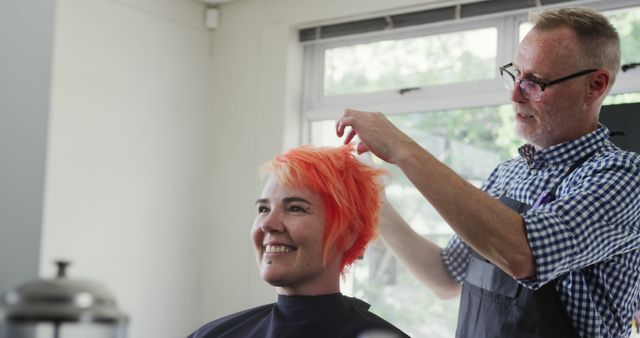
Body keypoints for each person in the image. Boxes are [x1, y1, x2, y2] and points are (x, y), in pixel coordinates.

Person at [335, 6, 640, 338]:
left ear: (595, 86)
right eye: (515, 74)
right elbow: (445, 277)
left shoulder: (622, 178)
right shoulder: (506, 175)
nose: (514, 94)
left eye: (535, 82)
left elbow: (524, 253)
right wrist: (375, 199)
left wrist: (401, 147)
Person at [187, 145, 409, 338]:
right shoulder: (213, 334)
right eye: (263, 209)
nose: (267, 224)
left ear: (348, 234)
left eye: (295, 208)